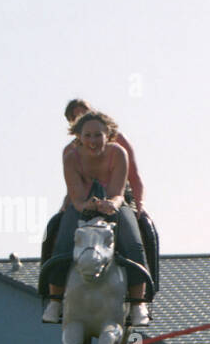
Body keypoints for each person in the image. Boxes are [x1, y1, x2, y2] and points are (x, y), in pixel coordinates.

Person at [40, 110, 153, 326]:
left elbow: (118, 192)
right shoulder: (71, 157)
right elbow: (76, 196)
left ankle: (139, 302)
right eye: (88, 135)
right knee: (61, 238)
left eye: (98, 135)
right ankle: (54, 300)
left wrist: (111, 204)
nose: (93, 141)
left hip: (113, 203)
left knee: (134, 241)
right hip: (82, 203)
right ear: (79, 137)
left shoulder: (118, 153)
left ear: (107, 135)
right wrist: (86, 205)